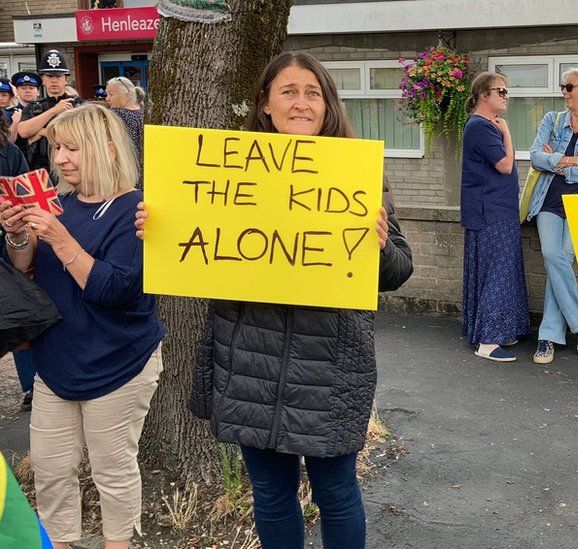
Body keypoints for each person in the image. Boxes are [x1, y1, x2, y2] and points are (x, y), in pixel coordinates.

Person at [135, 51, 413, 549]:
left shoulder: (357, 172)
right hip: (249, 360)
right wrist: (159, 229)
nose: (300, 103)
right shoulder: (224, 172)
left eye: (313, 93)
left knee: (337, 491)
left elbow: (399, 272)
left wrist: (380, 243)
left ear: (328, 105)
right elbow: (193, 250)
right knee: (270, 492)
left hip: (331, 364)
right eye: (288, 91)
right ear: (265, 103)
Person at [1, 104, 165, 549]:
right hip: (57, 361)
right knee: (51, 470)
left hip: (120, 361)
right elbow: (28, 272)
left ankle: (118, 544)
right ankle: (60, 542)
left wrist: (56, 236)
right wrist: (19, 236)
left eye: (72, 148)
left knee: (112, 470)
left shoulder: (138, 210)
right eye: (57, 148)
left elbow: (114, 288)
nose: (61, 159)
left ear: (107, 149)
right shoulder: (62, 203)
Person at [525, 66, 578, 364]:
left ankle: (547, 337)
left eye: (569, 87)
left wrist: (558, 163)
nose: (564, 92)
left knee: (560, 261)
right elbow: (535, 155)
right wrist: (569, 160)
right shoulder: (553, 120)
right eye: (563, 87)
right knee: (553, 255)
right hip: (549, 200)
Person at [460, 72, 530, 362]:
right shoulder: (482, 127)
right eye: (499, 91)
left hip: (491, 209)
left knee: (493, 271)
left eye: (506, 91)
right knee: (497, 273)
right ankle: (488, 341)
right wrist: (508, 134)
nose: (505, 96)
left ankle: (494, 331)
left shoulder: (481, 126)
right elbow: (504, 165)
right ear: (482, 95)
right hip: (492, 212)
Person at [0, 115, 32, 411]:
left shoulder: (10, 152)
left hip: (7, 241)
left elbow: (24, 196)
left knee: (17, 315)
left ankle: (30, 385)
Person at [17, 50, 82, 173]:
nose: (54, 80)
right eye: (49, 76)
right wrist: (54, 110)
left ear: (66, 79)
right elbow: (23, 131)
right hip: (41, 169)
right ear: (43, 79)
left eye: (58, 76)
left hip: (72, 167)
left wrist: (41, 132)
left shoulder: (78, 105)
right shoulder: (34, 106)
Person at [105, 77, 145, 188]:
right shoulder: (144, 114)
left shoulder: (114, 114)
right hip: (143, 174)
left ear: (127, 96)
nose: (107, 98)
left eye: (111, 94)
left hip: (122, 174)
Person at [10, 71, 40, 154]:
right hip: (20, 159)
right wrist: (15, 123)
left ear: (38, 92)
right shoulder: (9, 113)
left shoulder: (46, 111)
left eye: (31, 88)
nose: (28, 91)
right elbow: (6, 143)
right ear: (17, 91)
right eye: (23, 88)